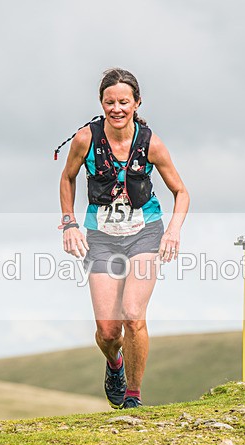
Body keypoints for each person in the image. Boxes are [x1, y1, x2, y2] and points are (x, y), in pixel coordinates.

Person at [56, 68, 189, 409]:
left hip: (144, 233)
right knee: (108, 331)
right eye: (109, 102)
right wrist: (69, 222)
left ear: (137, 103)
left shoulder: (151, 143)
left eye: (124, 102)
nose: (117, 108)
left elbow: (181, 191)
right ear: (101, 104)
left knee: (133, 315)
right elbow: (68, 178)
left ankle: (133, 395)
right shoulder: (85, 139)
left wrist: (173, 231)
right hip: (100, 237)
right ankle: (113, 363)